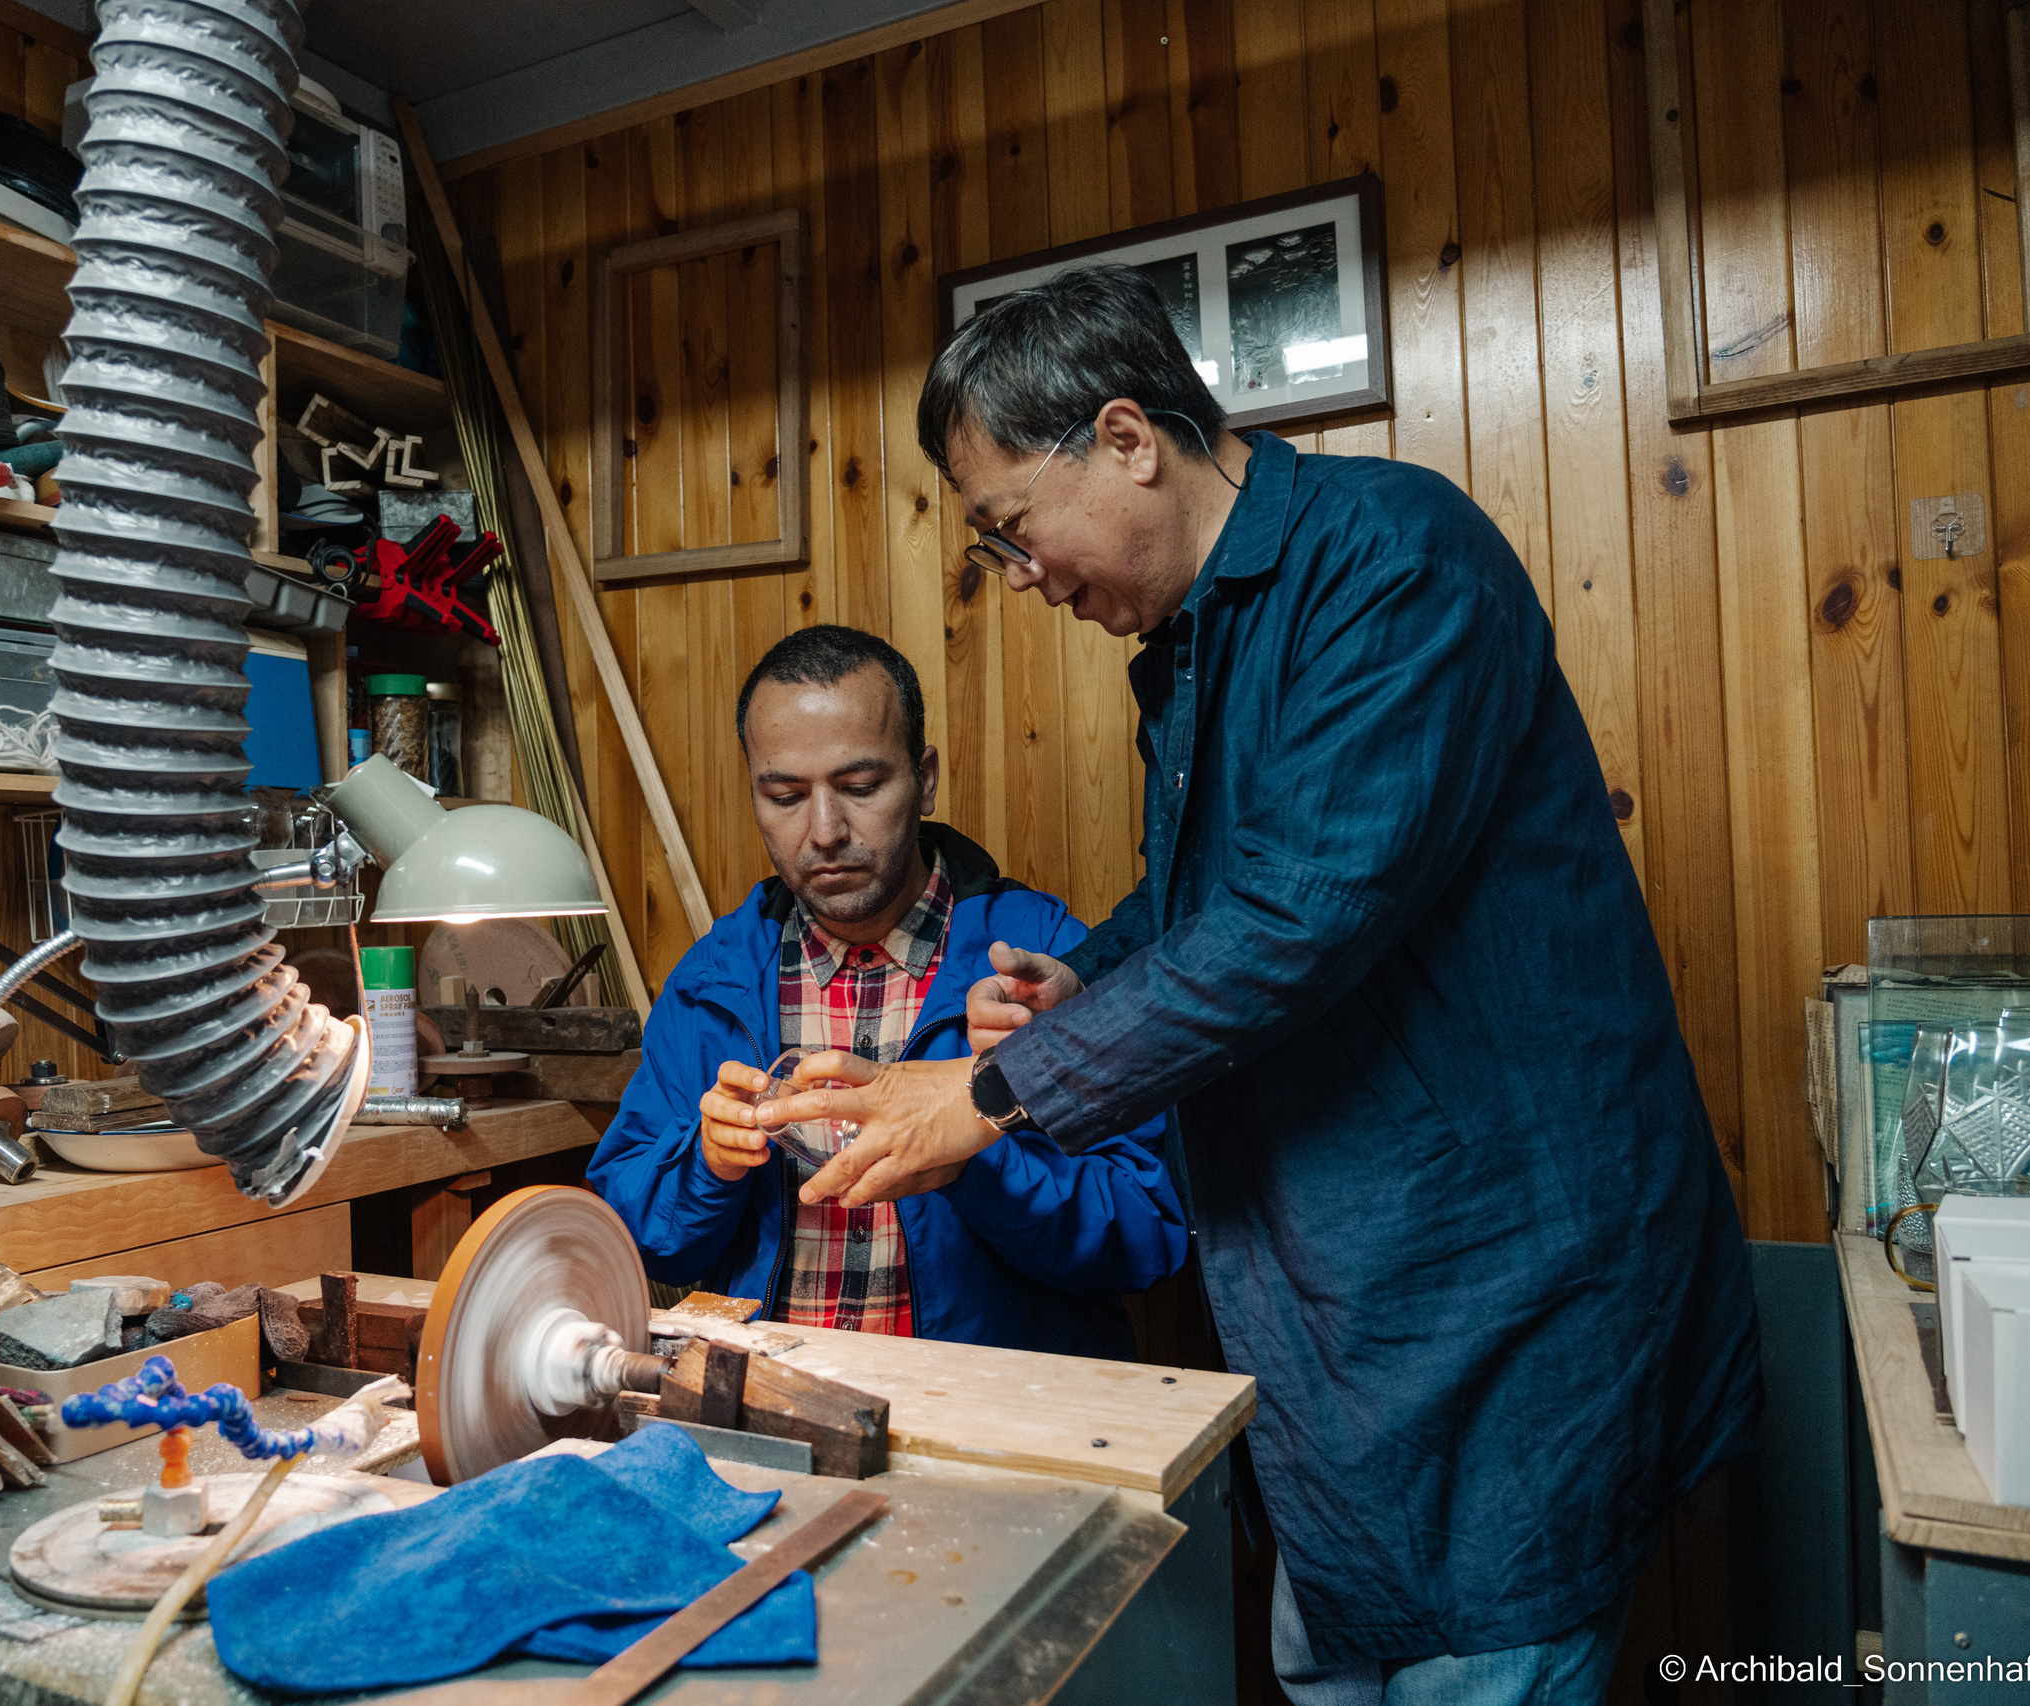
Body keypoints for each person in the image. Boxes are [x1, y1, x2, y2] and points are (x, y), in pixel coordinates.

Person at [756, 267, 1761, 1701]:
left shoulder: (1398, 564)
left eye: (1010, 530)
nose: (1024, 575)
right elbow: (1203, 903)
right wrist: (1079, 977)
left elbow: (1304, 912)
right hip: (1335, 1328)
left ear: (1123, 438)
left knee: (1493, 1629)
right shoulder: (1191, 644)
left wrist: (993, 1090)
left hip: (1500, 1287)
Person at [587, 625, 1187, 1356]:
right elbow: (640, 1240)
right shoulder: (715, 979)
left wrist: (971, 1153)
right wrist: (706, 1167)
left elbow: (1146, 1232)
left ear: (925, 778)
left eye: (860, 787)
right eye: (783, 796)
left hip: (982, 1418)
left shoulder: (1047, 959)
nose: (825, 831)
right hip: (778, 1406)